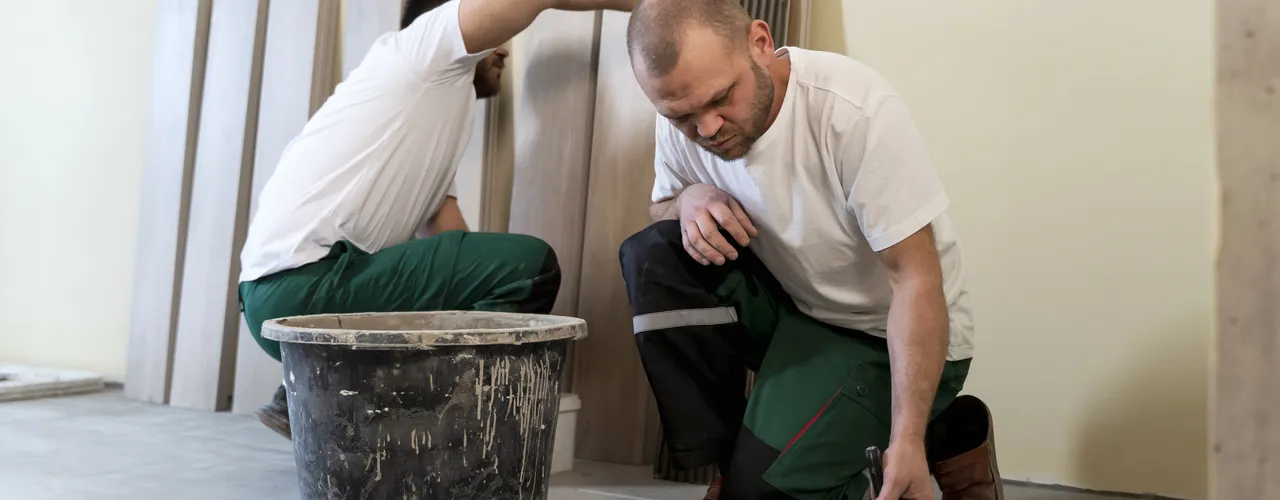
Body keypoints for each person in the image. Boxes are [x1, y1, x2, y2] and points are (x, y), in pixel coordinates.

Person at [619, 0, 1003, 499]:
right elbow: (661, 208)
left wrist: (905, 442)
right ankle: (732, 467)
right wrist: (689, 198)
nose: (706, 129)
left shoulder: (854, 112)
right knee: (655, 254)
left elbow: (915, 279)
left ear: (760, 43)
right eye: (683, 116)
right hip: (800, 316)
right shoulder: (686, 112)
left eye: (721, 99)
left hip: (887, 335)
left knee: (766, 493)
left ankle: (936, 431)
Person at [238, 0, 633, 439]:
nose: (504, 51)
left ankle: (329, 389)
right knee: (533, 266)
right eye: (498, 38)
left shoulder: (437, 104)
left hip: (285, 296)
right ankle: (411, 422)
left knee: (512, 272)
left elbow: (449, 239)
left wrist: (489, 285)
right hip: (299, 287)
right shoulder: (420, 51)